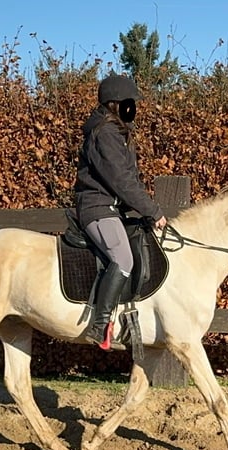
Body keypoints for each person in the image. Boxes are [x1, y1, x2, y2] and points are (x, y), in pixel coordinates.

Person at [74, 74, 167, 350]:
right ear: (116, 104)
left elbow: (130, 179)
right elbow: (120, 180)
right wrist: (153, 209)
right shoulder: (104, 134)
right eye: (129, 103)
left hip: (111, 208)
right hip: (96, 207)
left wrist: (145, 214)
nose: (133, 108)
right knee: (123, 259)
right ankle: (99, 325)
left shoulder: (116, 134)